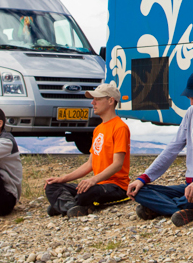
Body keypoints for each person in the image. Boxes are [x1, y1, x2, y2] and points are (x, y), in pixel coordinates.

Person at [126, 71, 193, 226]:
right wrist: (143, 178)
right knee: (139, 191)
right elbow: (173, 148)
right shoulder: (191, 112)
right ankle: (190, 208)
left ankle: (168, 206)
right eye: (189, 97)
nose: (191, 102)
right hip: (189, 185)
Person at [44, 83, 130, 217]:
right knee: (52, 186)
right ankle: (72, 207)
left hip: (116, 186)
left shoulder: (120, 127)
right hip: (97, 184)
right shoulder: (98, 129)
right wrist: (62, 179)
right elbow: (90, 164)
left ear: (110, 101)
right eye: (93, 99)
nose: (93, 102)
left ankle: (64, 205)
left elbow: (117, 164)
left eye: (97, 99)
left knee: (87, 192)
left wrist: (93, 180)